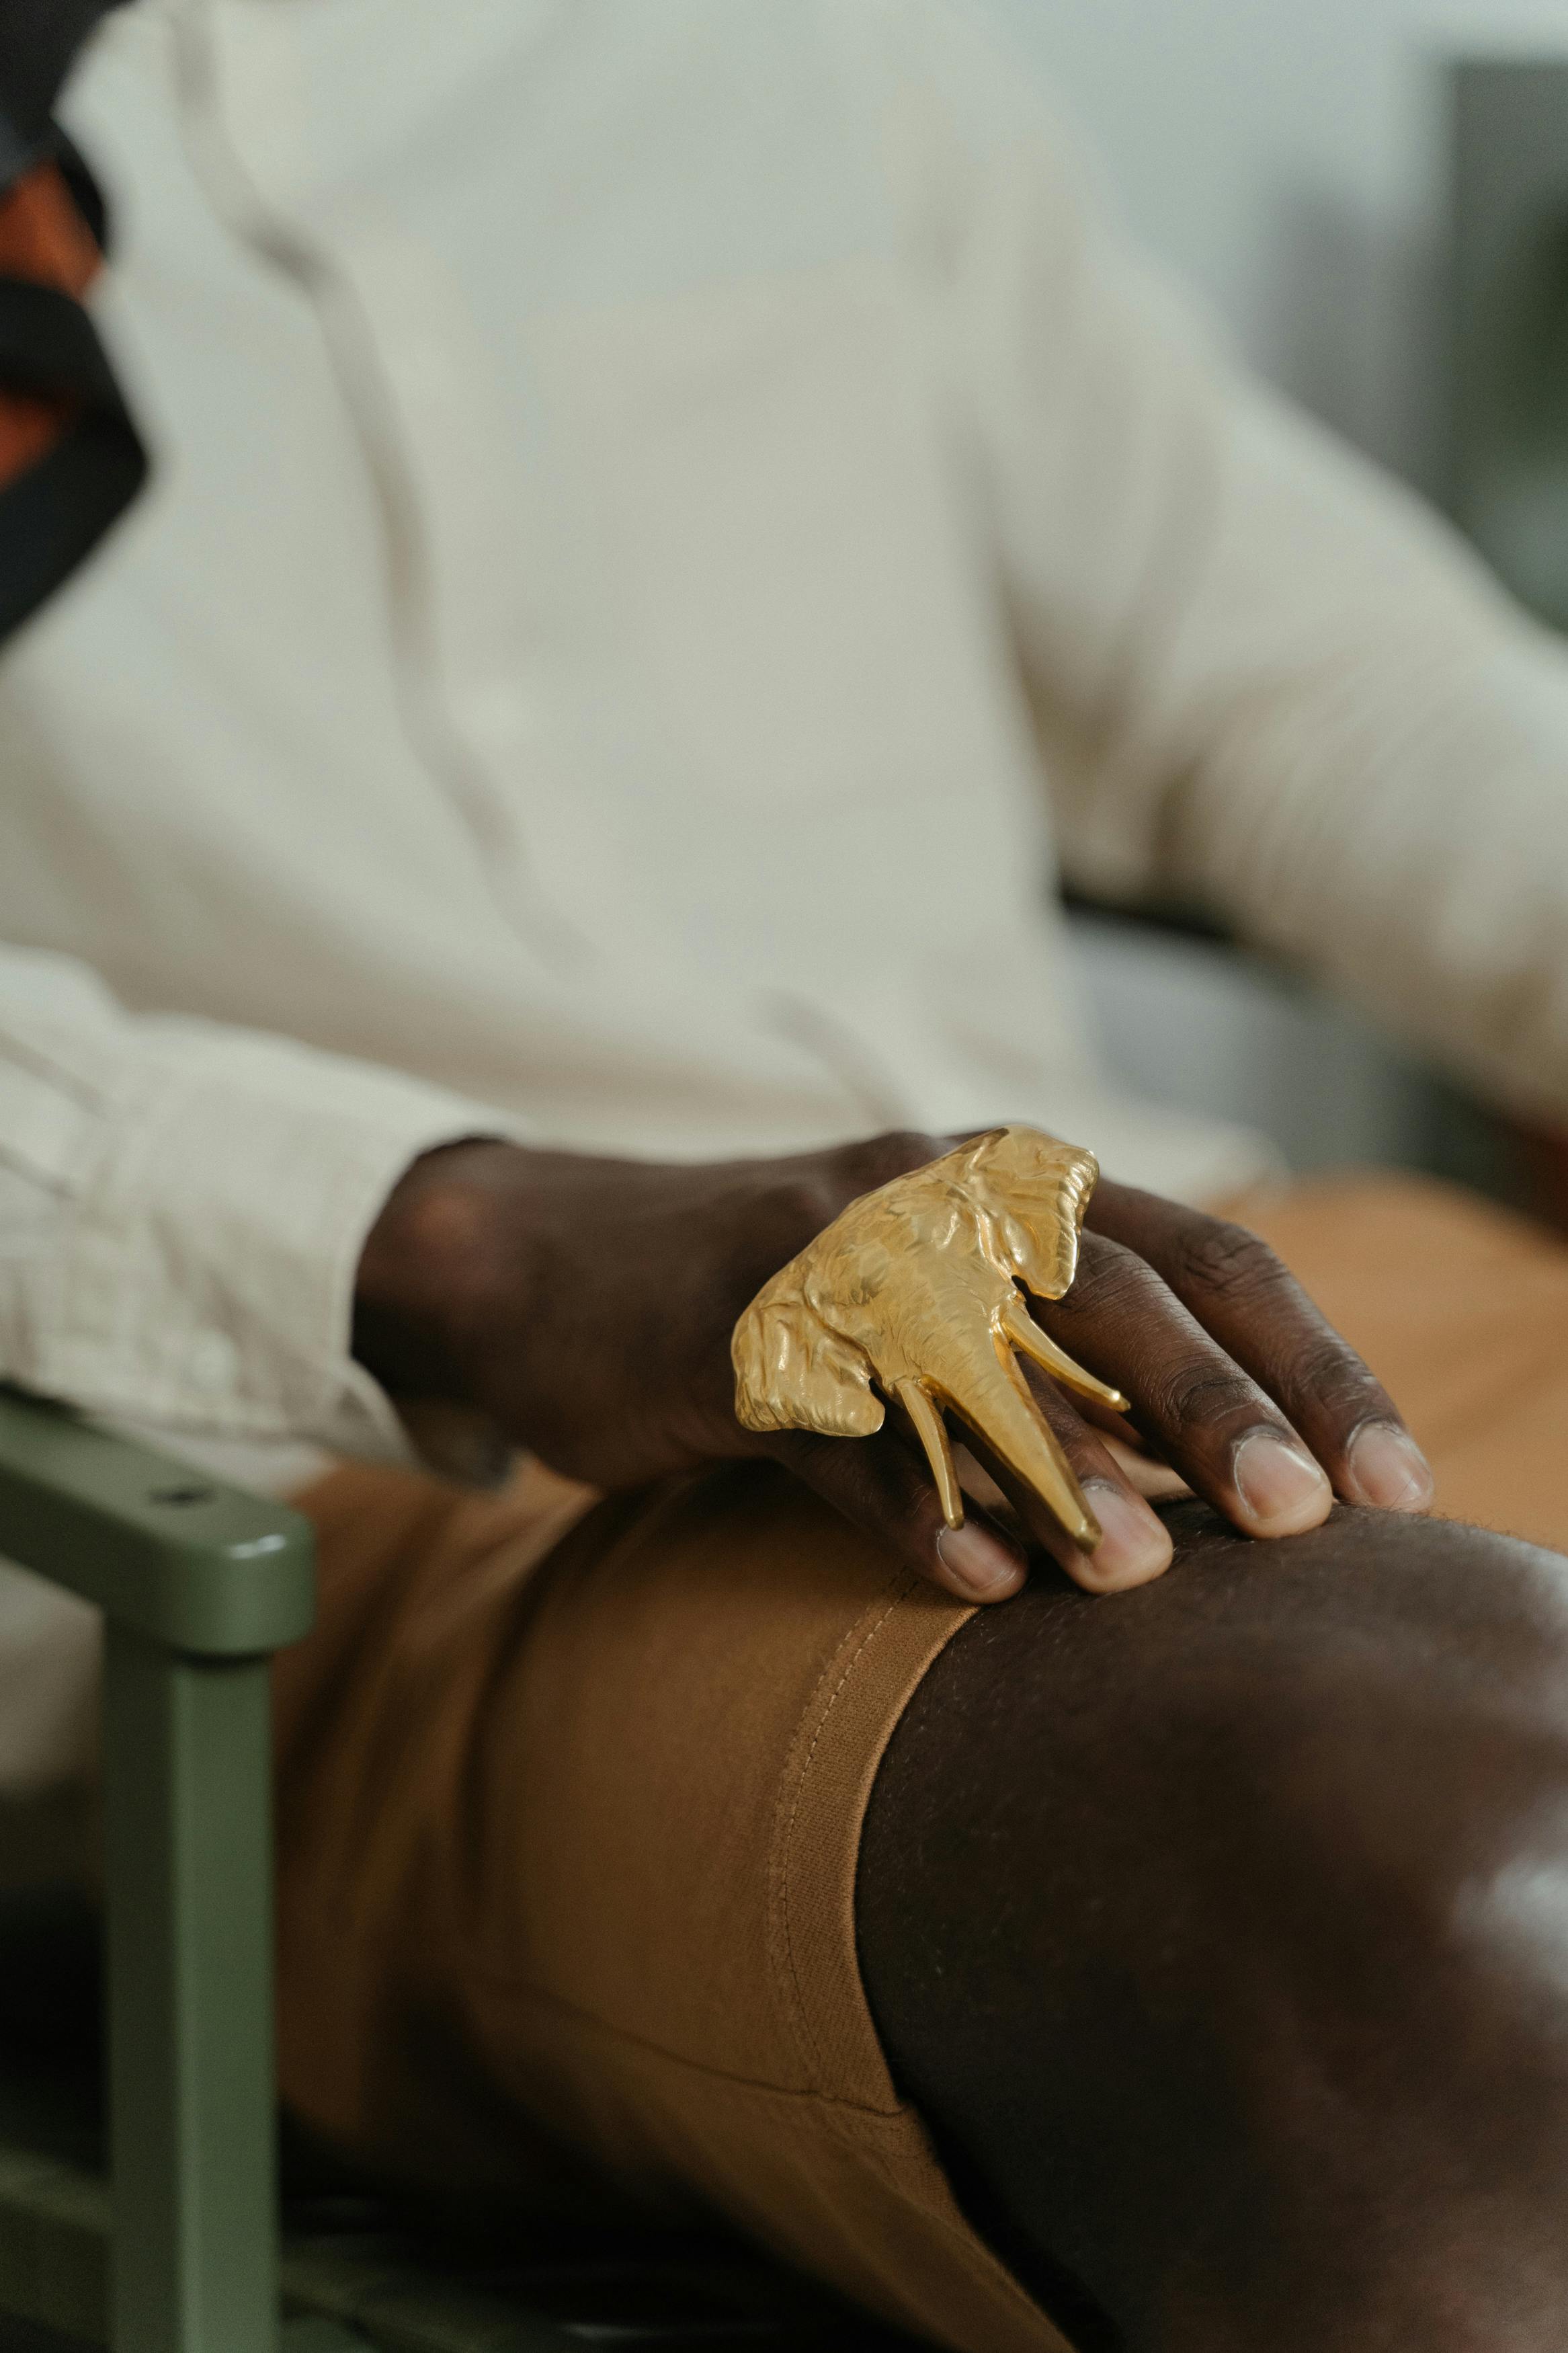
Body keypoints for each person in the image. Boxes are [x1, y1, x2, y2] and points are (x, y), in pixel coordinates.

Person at [3, 2, 1568, 2345]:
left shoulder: (780, 49)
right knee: (1483, 1896)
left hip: (1207, 1281)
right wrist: (465, 1233)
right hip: (395, 1503)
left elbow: (1315, 689)